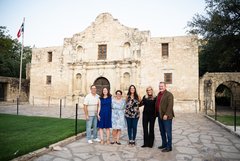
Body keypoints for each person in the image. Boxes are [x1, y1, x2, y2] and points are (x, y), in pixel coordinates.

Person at [156, 82, 174, 152]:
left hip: (166, 117)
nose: (161, 87)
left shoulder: (169, 94)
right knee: (162, 131)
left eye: (162, 86)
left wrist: (166, 114)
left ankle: (169, 147)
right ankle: (164, 144)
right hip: (160, 116)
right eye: (160, 86)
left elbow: (170, 105)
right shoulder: (159, 94)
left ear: (165, 86)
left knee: (168, 132)